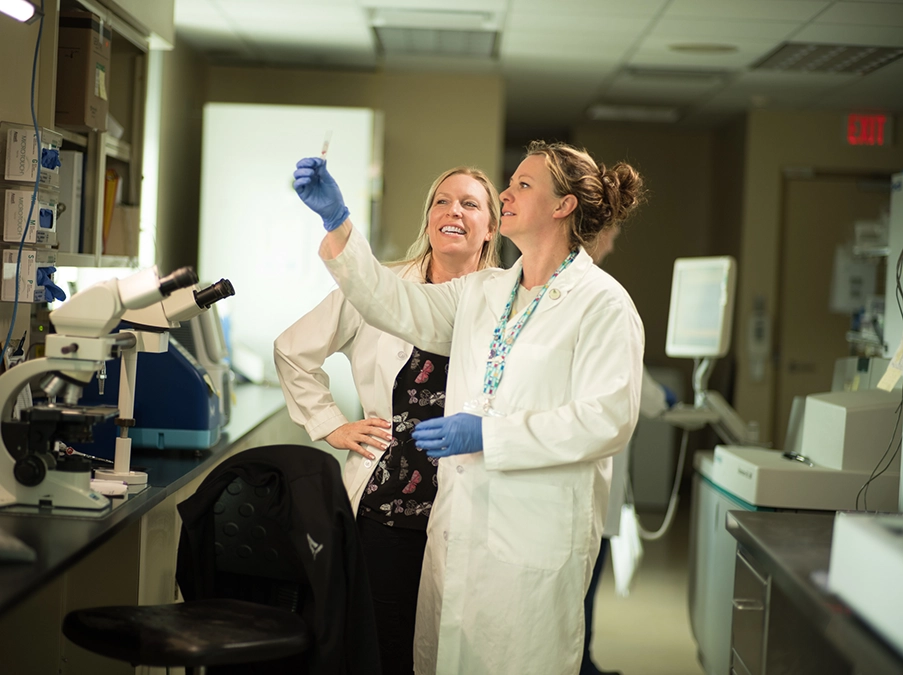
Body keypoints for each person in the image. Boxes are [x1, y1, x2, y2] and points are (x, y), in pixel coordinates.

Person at [292, 140, 646, 675]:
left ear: (563, 205)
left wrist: (490, 434)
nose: (507, 193)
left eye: (523, 185)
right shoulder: (485, 291)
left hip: (533, 544)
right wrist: (339, 223)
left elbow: (608, 419)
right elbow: (392, 300)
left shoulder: (602, 303)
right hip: (460, 536)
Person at [274, 166, 501, 675]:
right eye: (442, 201)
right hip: (389, 505)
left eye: (470, 204)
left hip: (470, 505)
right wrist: (332, 423)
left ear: (491, 227)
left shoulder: (504, 300)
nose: (453, 212)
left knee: (457, 650)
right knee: (384, 647)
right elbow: (292, 350)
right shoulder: (382, 287)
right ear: (428, 218)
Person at [580, 225, 677, 675]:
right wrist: (665, 401)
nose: (615, 244)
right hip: (581, 480)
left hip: (589, 478)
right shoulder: (601, 300)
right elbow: (634, 384)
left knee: (583, 583)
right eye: (612, 234)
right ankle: (580, 664)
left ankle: (583, 662)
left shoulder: (598, 297)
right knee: (580, 583)